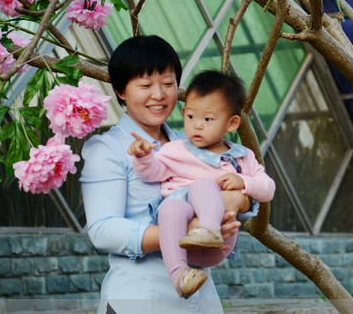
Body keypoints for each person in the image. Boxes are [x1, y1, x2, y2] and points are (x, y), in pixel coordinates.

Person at [80, 35, 256, 314]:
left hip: (202, 301)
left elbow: (238, 184)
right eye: (146, 85)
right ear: (121, 91)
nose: (159, 95)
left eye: (168, 83)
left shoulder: (191, 144)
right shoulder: (107, 150)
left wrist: (239, 202)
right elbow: (103, 230)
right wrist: (182, 232)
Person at [127, 70, 276, 298]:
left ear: (232, 123)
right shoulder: (175, 150)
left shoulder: (241, 157)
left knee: (203, 186)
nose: (197, 126)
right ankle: (180, 276)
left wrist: (244, 182)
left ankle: (208, 228)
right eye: (191, 117)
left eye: (208, 119)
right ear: (184, 113)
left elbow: (268, 188)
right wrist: (143, 157)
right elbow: (151, 173)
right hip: (178, 241)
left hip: (219, 242)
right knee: (169, 206)